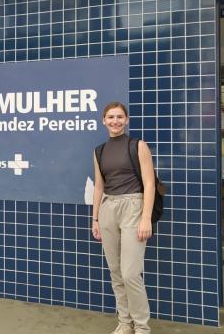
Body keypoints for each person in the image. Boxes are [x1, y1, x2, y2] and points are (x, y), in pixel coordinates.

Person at [92, 102, 154, 334]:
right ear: (103, 121)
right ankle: (125, 322)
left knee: (130, 273)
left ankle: (141, 327)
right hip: (108, 208)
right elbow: (99, 186)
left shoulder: (138, 146)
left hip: (133, 207)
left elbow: (148, 183)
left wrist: (146, 218)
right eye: (110, 117)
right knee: (116, 272)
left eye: (119, 117)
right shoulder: (99, 151)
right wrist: (95, 219)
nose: (115, 121)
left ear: (126, 120)